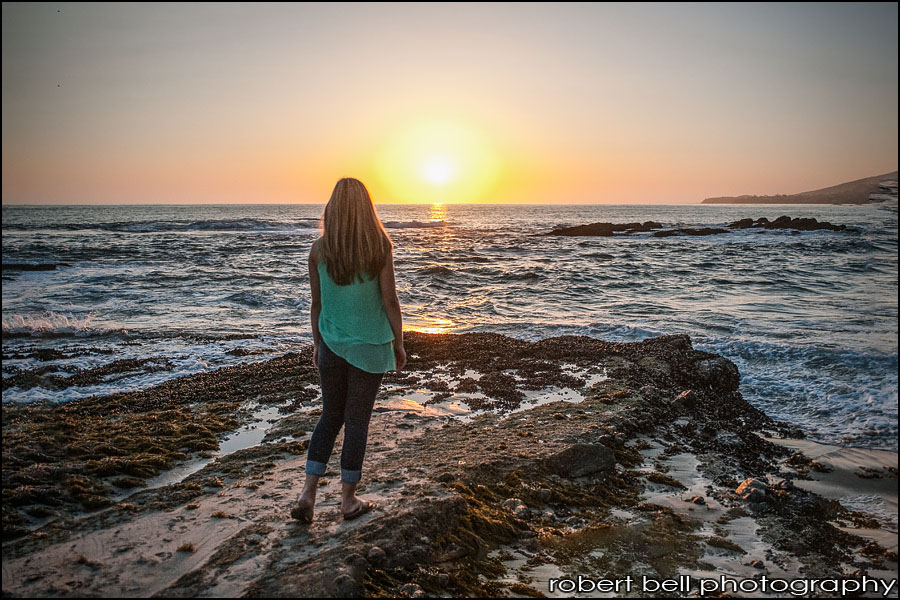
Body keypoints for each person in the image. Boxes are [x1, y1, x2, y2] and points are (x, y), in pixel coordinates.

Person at [291, 177, 406, 523]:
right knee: (356, 422)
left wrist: (317, 344)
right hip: (369, 346)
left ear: (333, 209)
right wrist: (399, 343)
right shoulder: (379, 247)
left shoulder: (318, 250)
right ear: (365, 209)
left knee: (330, 416)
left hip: (331, 344)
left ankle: (307, 494)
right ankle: (347, 501)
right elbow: (390, 300)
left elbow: (316, 305)